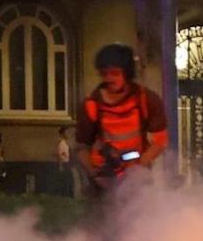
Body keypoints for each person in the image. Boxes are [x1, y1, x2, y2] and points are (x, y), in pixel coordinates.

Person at [75, 44, 168, 193]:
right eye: (104, 74)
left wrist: (138, 167)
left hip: (137, 179)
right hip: (103, 181)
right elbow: (81, 146)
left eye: (115, 73)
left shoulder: (146, 100)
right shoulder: (91, 105)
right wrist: (94, 173)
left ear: (127, 73)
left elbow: (160, 142)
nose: (109, 79)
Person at [55, 126, 74, 197]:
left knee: (70, 180)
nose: (68, 134)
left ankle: (69, 194)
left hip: (68, 163)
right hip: (65, 164)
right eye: (67, 132)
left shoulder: (66, 143)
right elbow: (60, 155)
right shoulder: (61, 143)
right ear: (62, 134)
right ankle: (66, 194)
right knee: (67, 180)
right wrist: (61, 166)